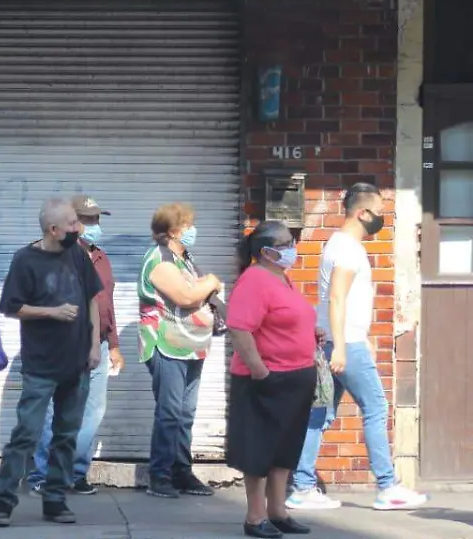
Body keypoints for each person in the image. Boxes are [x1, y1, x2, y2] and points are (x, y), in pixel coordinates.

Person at [287, 183, 428, 512]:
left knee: (318, 414)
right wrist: (342, 347)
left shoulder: (337, 244)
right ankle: (387, 486)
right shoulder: (348, 249)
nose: (382, 219)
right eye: (379, 213)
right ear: (363, 213)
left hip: (339, 339)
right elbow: (337, 296)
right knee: (376, 408)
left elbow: (338, 299)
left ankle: (303, 486)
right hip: (344, 343)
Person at [0, 197, 102, 528]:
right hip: (41, 365)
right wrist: (50, 312)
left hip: (77, 363)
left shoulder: (78, 255)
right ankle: (3, 502)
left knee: (66, 435)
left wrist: (94, 344)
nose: (77, 227)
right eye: (70, 223)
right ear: (53, 230)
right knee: (27, 433)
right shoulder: (26, 259)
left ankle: (55, 499)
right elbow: (11, 306)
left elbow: (92, 300)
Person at [225, 221, 316, 538]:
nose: (293, 247)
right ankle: (255, 517)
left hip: (296, 376)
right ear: (266, 251)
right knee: (260, 450)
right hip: (266, 379)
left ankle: (278, 511)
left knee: (284, 450)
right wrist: (259, 368)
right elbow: (239, 327)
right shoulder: (254, 280)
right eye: (287, 242)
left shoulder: (282, 279)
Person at [28, 195, 123, 497]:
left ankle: (75, 473)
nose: (94, 226)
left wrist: (114, 344)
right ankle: (43, 475)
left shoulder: (101, 258)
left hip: (99, 345)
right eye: (88, 220)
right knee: (52, 413)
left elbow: (106, 304)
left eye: (97, 220)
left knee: (92, 412)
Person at [137, 202, 221, 499]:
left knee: (186, 413)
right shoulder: (159, 260)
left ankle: (181, 471)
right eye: (188, 225)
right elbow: (186, 296)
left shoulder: (183, 258)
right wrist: (210, 281)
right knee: (170, 412)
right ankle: (159, 475)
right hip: (167, 345)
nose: (192, 230)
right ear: (173, 230)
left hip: (192, 346)